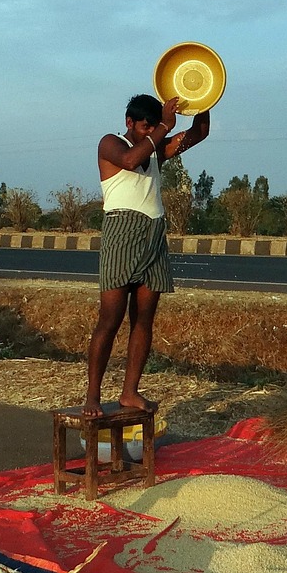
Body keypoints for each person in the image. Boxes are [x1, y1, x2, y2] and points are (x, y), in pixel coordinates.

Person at [83, 93, 211, 417]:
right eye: (144, 127)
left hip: (153, 234)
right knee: (110, 320)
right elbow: (129, 160)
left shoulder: (154, 151)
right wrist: (165, 126)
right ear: (129, 122)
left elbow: (199, 133)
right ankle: (92, 396)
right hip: (121, 233)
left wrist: (203, 99)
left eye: (153, 127)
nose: (150, 132)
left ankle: (130, 391)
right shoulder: (110, 144)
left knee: (143, 319)